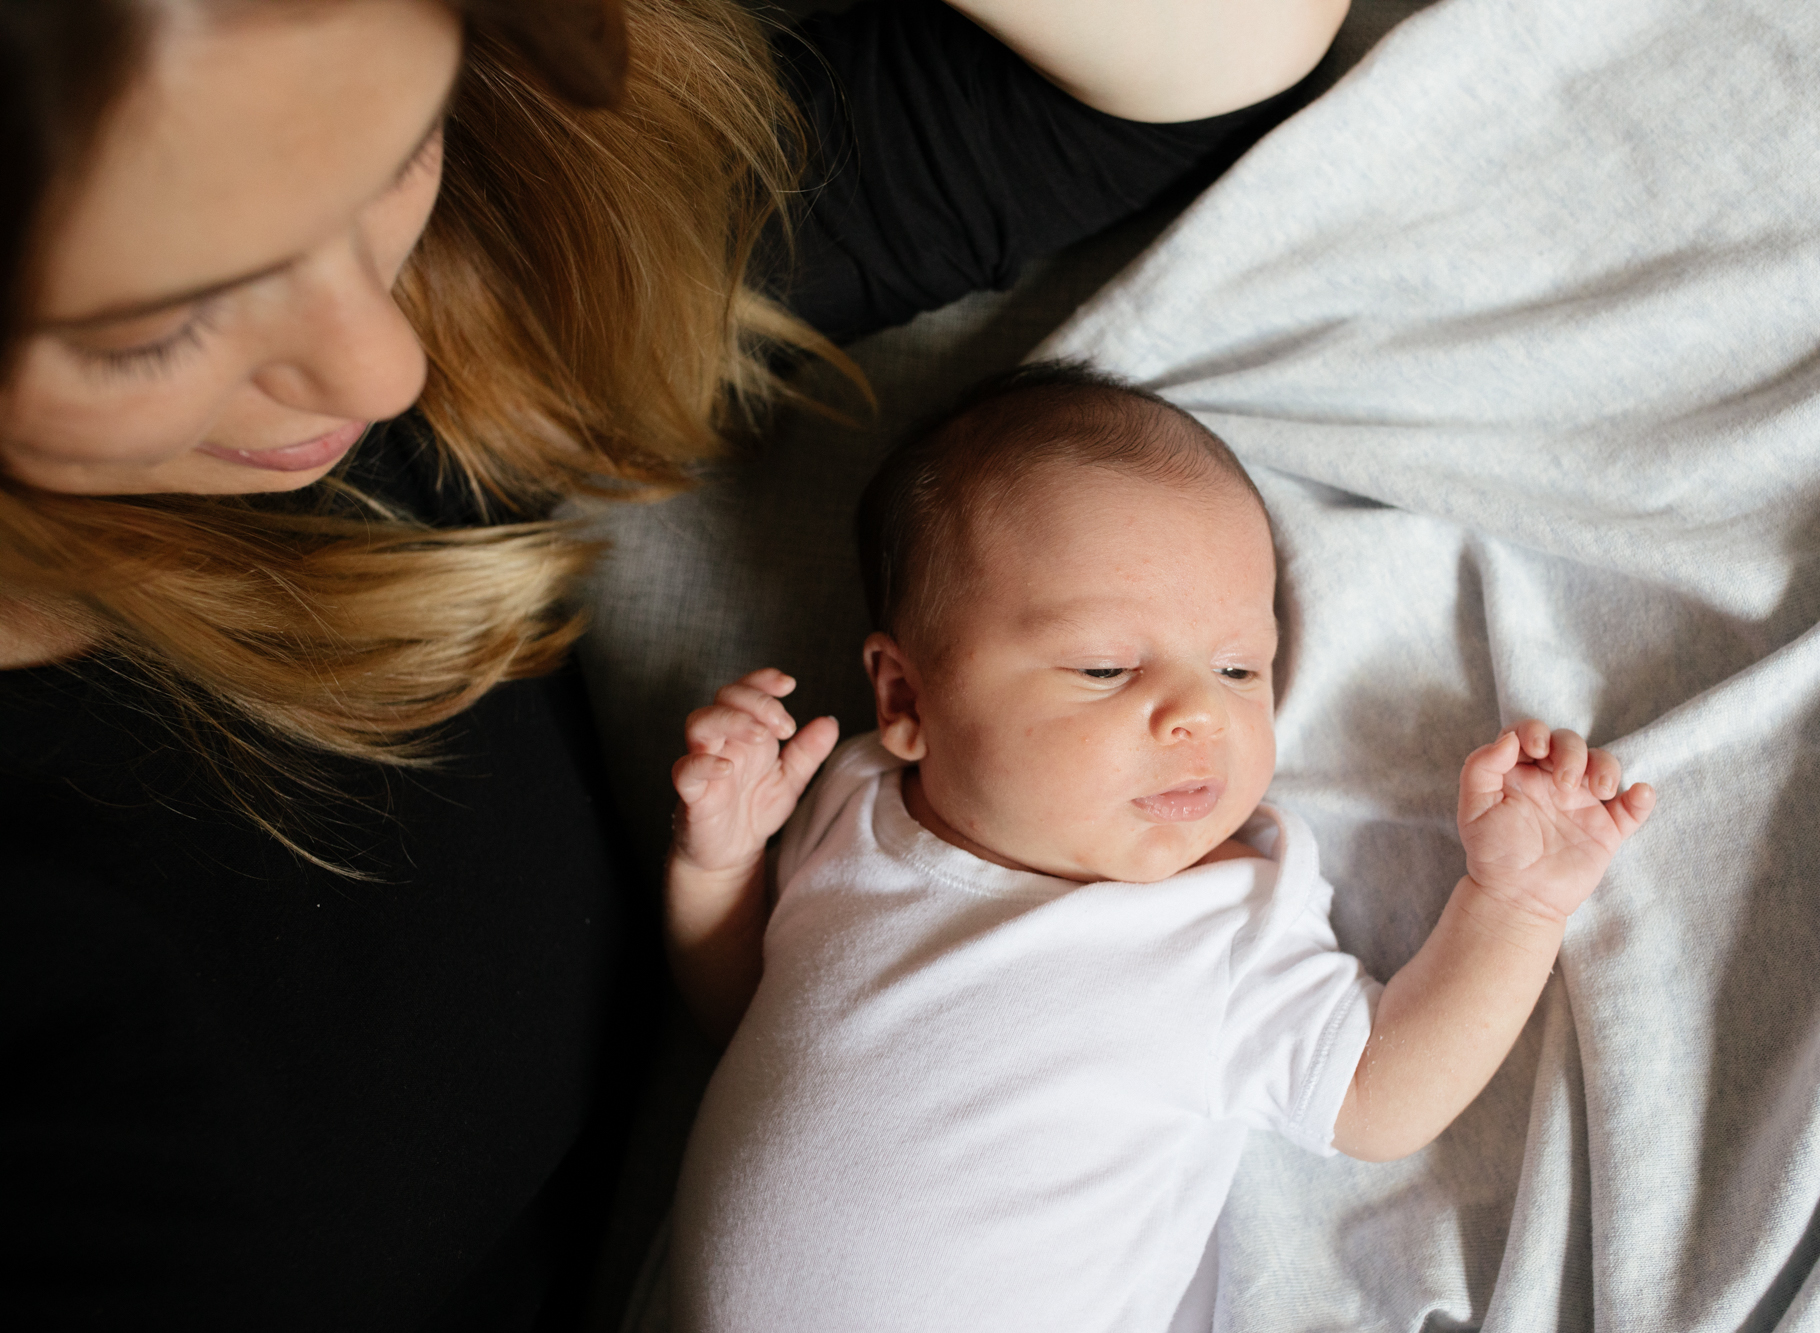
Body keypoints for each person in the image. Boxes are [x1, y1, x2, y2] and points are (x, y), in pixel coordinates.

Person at [0, 2, 1353, 1328]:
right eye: (159, 331)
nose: (383, 367)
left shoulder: (454, 335)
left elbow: (1218, 50)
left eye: (396, 154)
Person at [658, 364, 1658, 1331]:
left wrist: (1516, 903)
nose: (1195, 713)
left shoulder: (1215, 925)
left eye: (1237, 667)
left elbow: (1377, 1098)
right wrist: (718, 862)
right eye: (1103, 666)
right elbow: (746, 1010)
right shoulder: (854, 800)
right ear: (905, 697)